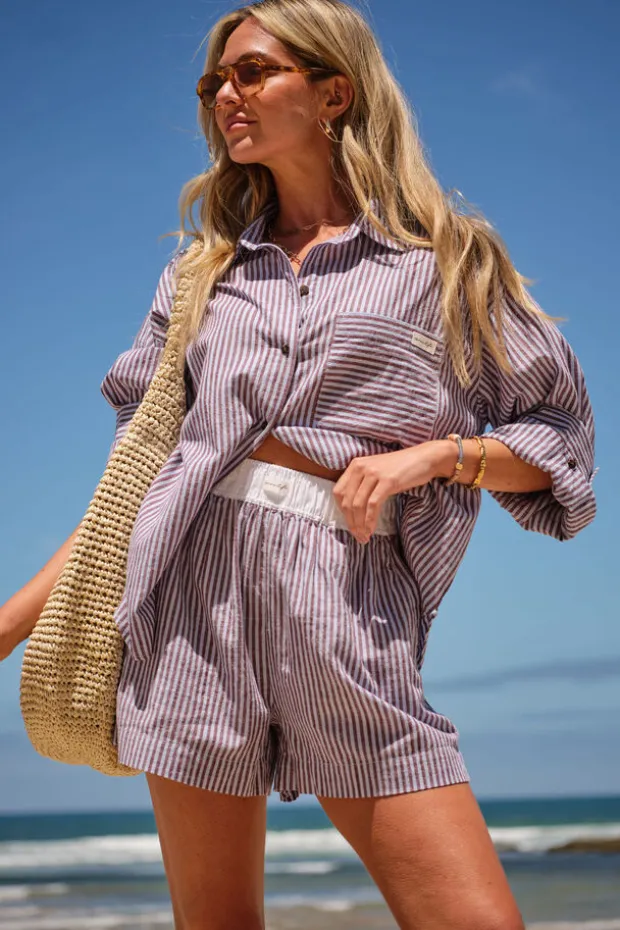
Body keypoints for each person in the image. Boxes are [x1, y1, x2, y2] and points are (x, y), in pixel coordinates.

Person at [0, 0, 597, 928]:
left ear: (333, 93)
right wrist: (8, 625)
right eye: (214, 82)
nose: (224, 96)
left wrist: (435, 457)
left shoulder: (445, 263)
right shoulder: (200, 277)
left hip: (347, 598)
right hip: (191, 603)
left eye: (252, 72)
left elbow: (558, 437)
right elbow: (136, 490)